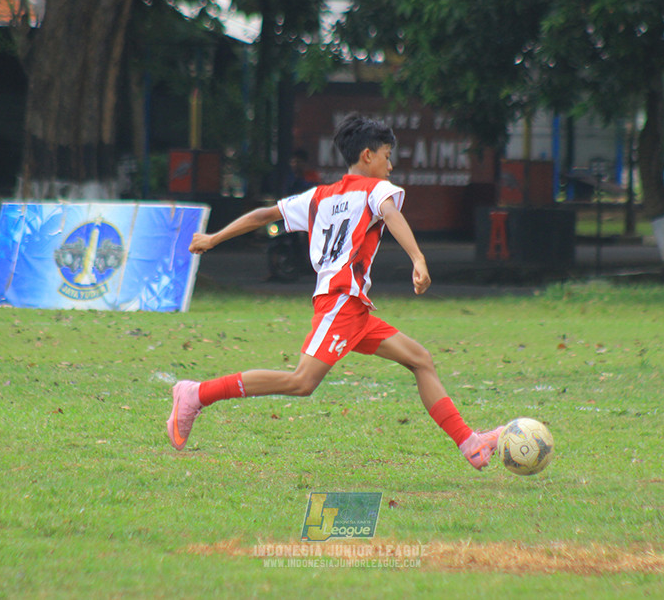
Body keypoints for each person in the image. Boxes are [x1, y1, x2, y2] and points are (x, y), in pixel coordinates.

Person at [168, 113, 503, 470]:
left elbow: (264, 216)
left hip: (353, 308)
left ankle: (471, 443)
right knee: (302, 381)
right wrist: (418, 259)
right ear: (367, 156)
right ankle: (196, 394)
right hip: (340, 301)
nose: (391, 165)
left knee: (420, 359)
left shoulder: (318, 196)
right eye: (387, 155)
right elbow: (390, 213)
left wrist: (213, 238)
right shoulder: (376, 190)